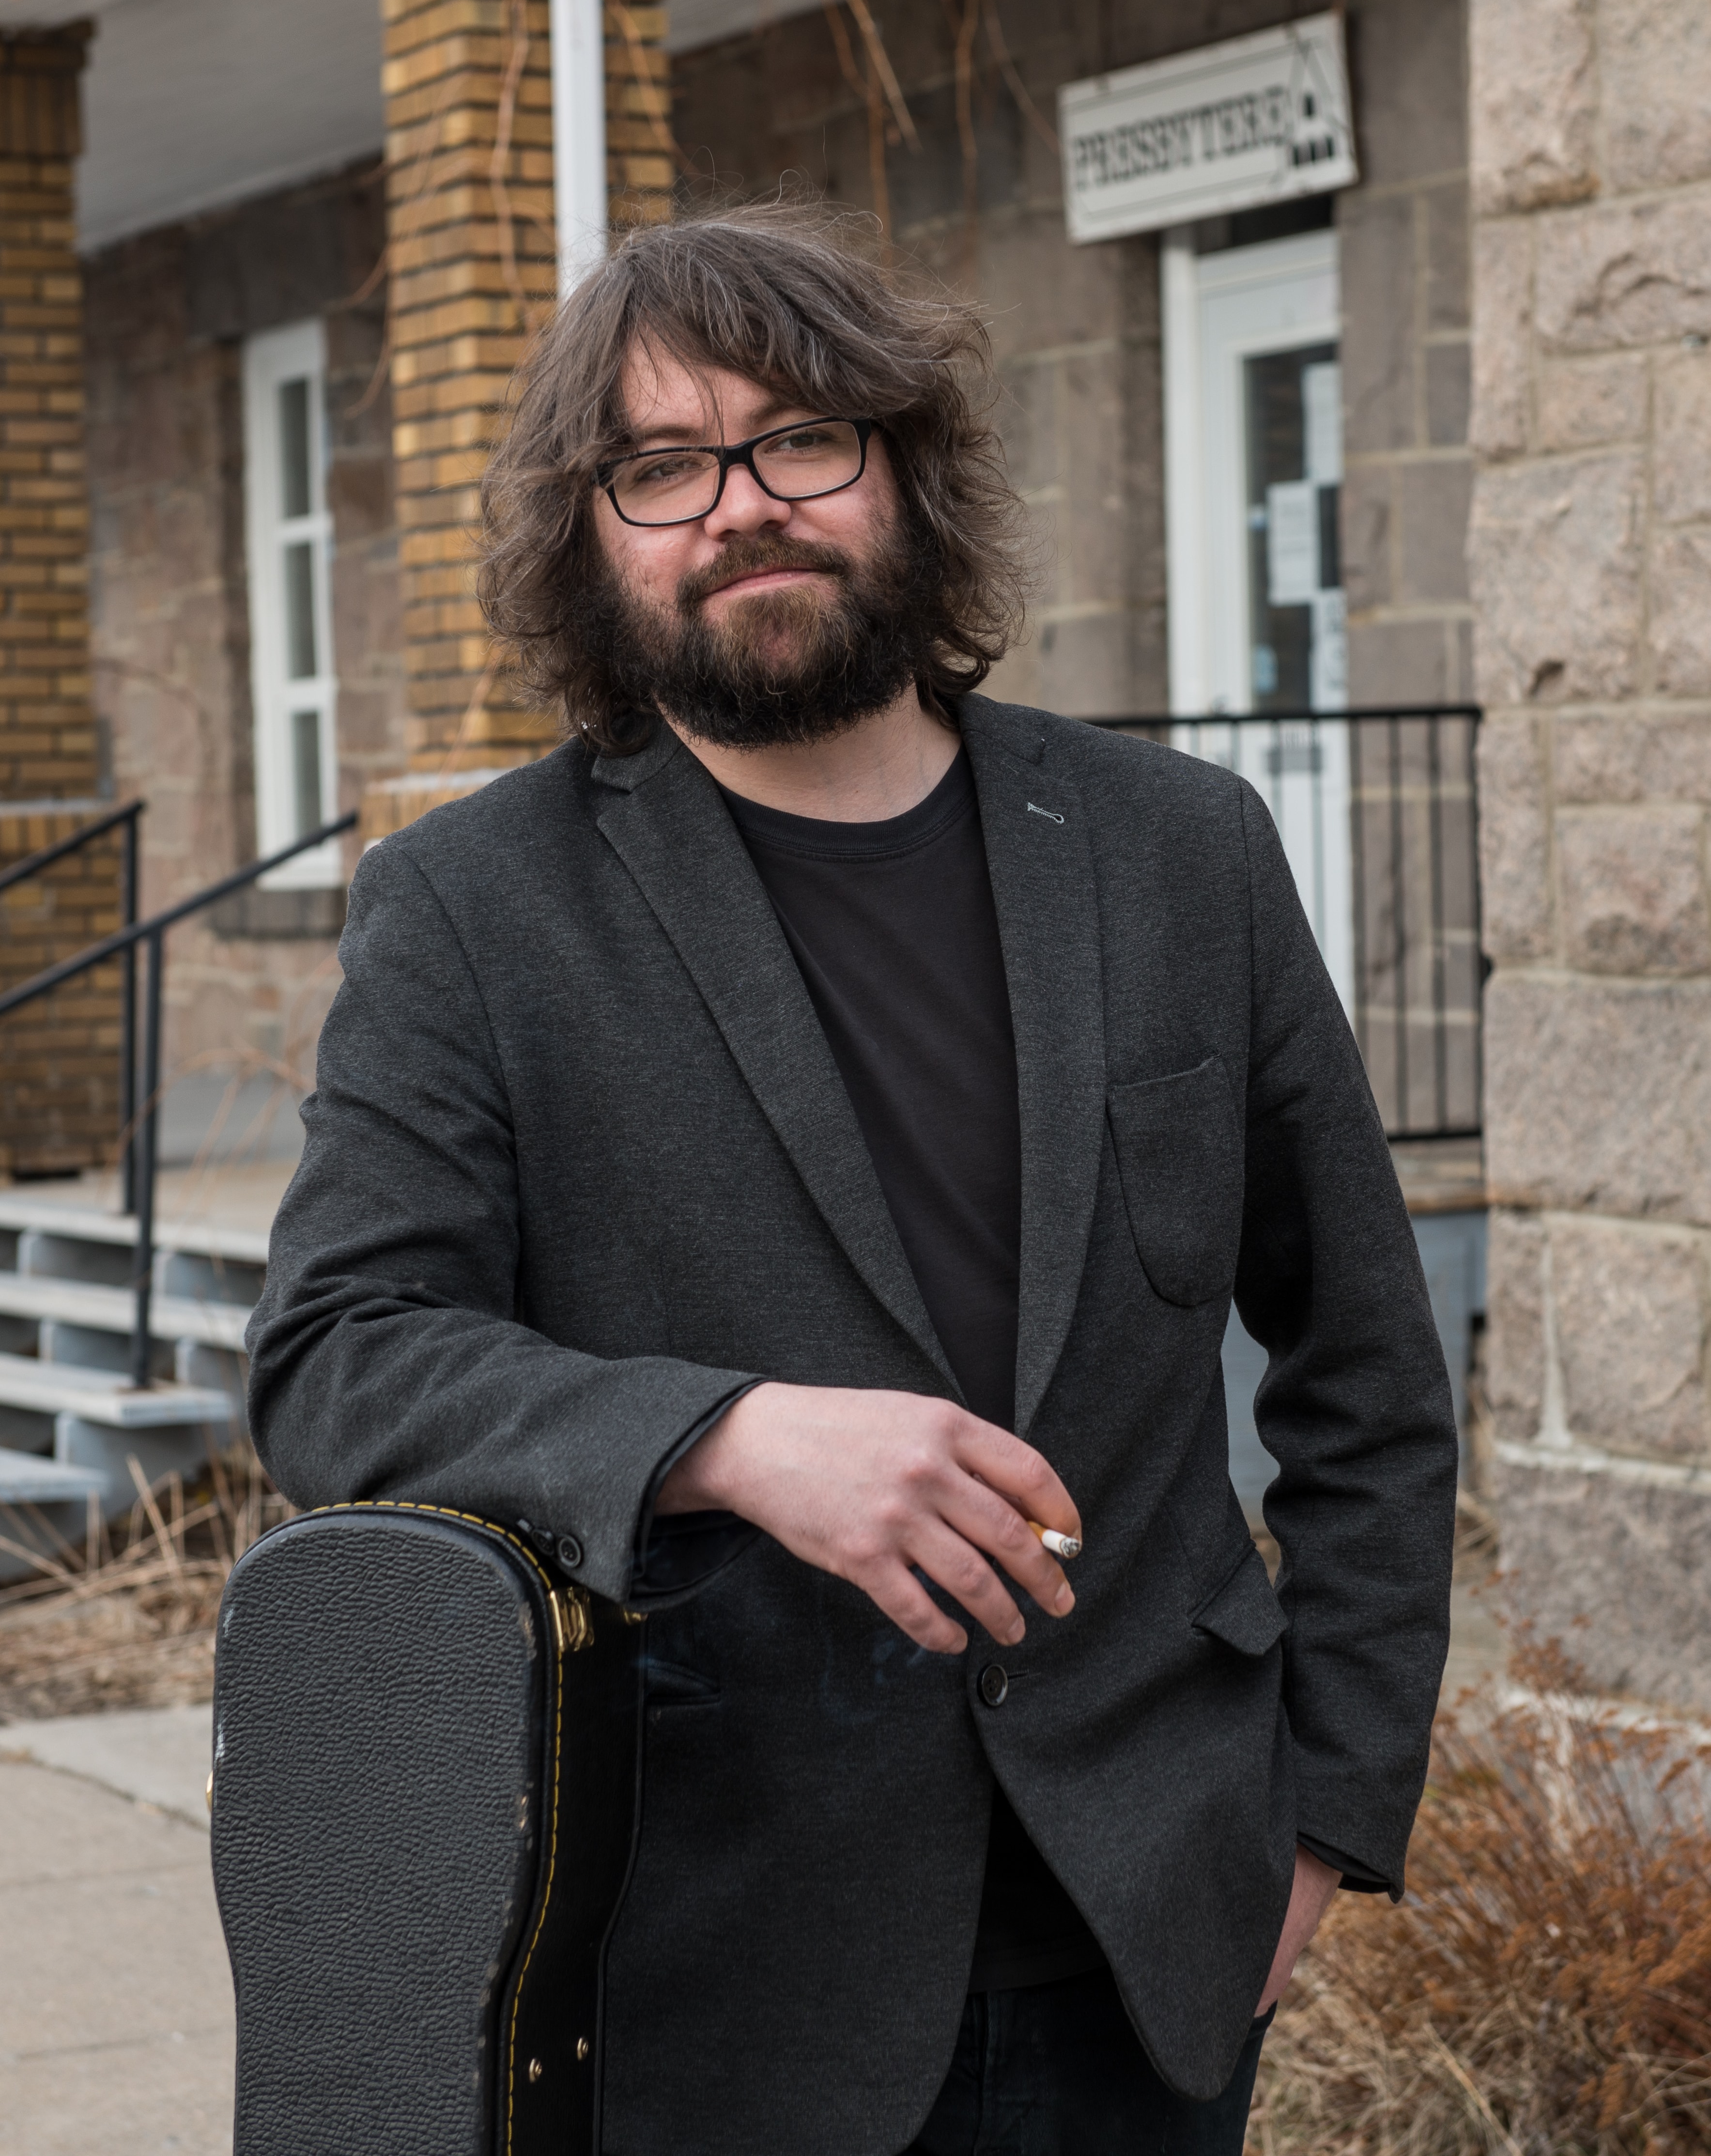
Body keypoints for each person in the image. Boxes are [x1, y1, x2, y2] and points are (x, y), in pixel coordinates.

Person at [243, 206, 1456, 2154]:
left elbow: (1370, 1372)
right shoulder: (470, 910)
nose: (741, 505)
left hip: (1151, 1945)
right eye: (660, 467)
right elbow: (334, 1360)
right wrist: (727, 1438)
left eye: (799, 438)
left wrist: (1323, 1808)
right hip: (714, 1975)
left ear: (904, 466)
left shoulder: (1181, 853)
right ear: (592, 537)